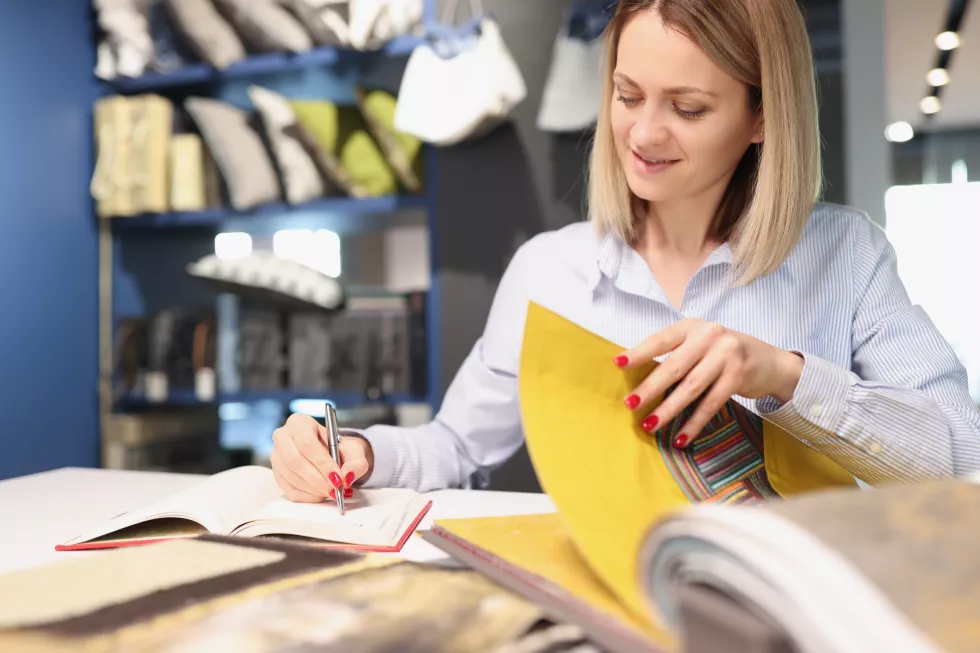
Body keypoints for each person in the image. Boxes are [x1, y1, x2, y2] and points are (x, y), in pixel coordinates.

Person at [270, 0, 980, 503]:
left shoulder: (845, 256)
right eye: (627, 94)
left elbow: (958, 458)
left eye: (688, 107)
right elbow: (456, 447)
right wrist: (358, 452)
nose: (643, 133)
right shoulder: (550, 269)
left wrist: (785, 375)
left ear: (763, 116)